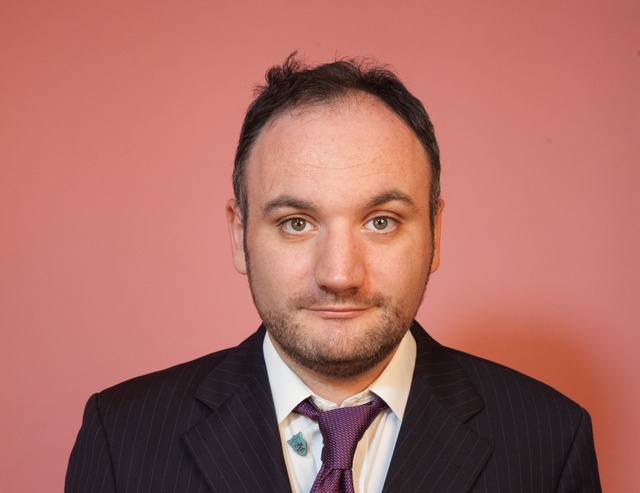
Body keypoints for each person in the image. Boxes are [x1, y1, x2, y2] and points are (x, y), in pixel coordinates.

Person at [66, 55, 601, 493]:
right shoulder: (122, 438)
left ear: (435, 232)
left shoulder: (550, 442)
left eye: (381, 221)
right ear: (239, 233)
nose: (340, 275)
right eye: (297, 223)